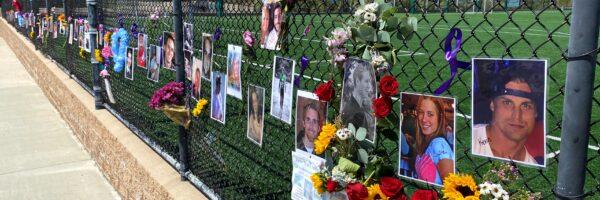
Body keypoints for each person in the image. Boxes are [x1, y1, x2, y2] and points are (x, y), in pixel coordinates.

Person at [472, 73, 540, 164]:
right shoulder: (470, 138)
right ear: (492, 105)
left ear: (536, 112)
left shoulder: (533, 168)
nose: (517, 116)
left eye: (526, 106)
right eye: (507, 103)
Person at [412, 96, 454, 185]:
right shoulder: (425, 142)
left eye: (430, 114)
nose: (424, 119)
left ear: (440, 117)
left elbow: (452, 189)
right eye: (421, 112)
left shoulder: (439, 144)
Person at [341, 61, 375, 141]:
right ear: (357, 81)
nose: (369, 86)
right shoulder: (353, 112)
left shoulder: (360, 105)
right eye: (366, 82)